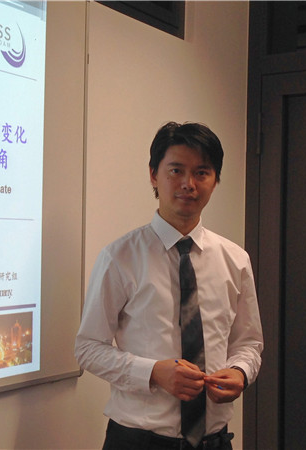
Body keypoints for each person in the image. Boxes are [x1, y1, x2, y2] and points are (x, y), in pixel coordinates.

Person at [74, 122, 263, 450]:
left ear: (215, 180)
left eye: (202, 172)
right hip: (137, 441)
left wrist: (240, 372)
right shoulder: (120, 257)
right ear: (153, 175)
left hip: (214, 441)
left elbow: (249, 343)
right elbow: (88, 347)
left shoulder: (235, 260)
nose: (189, 184)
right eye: (176, 170)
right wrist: (152, 372)